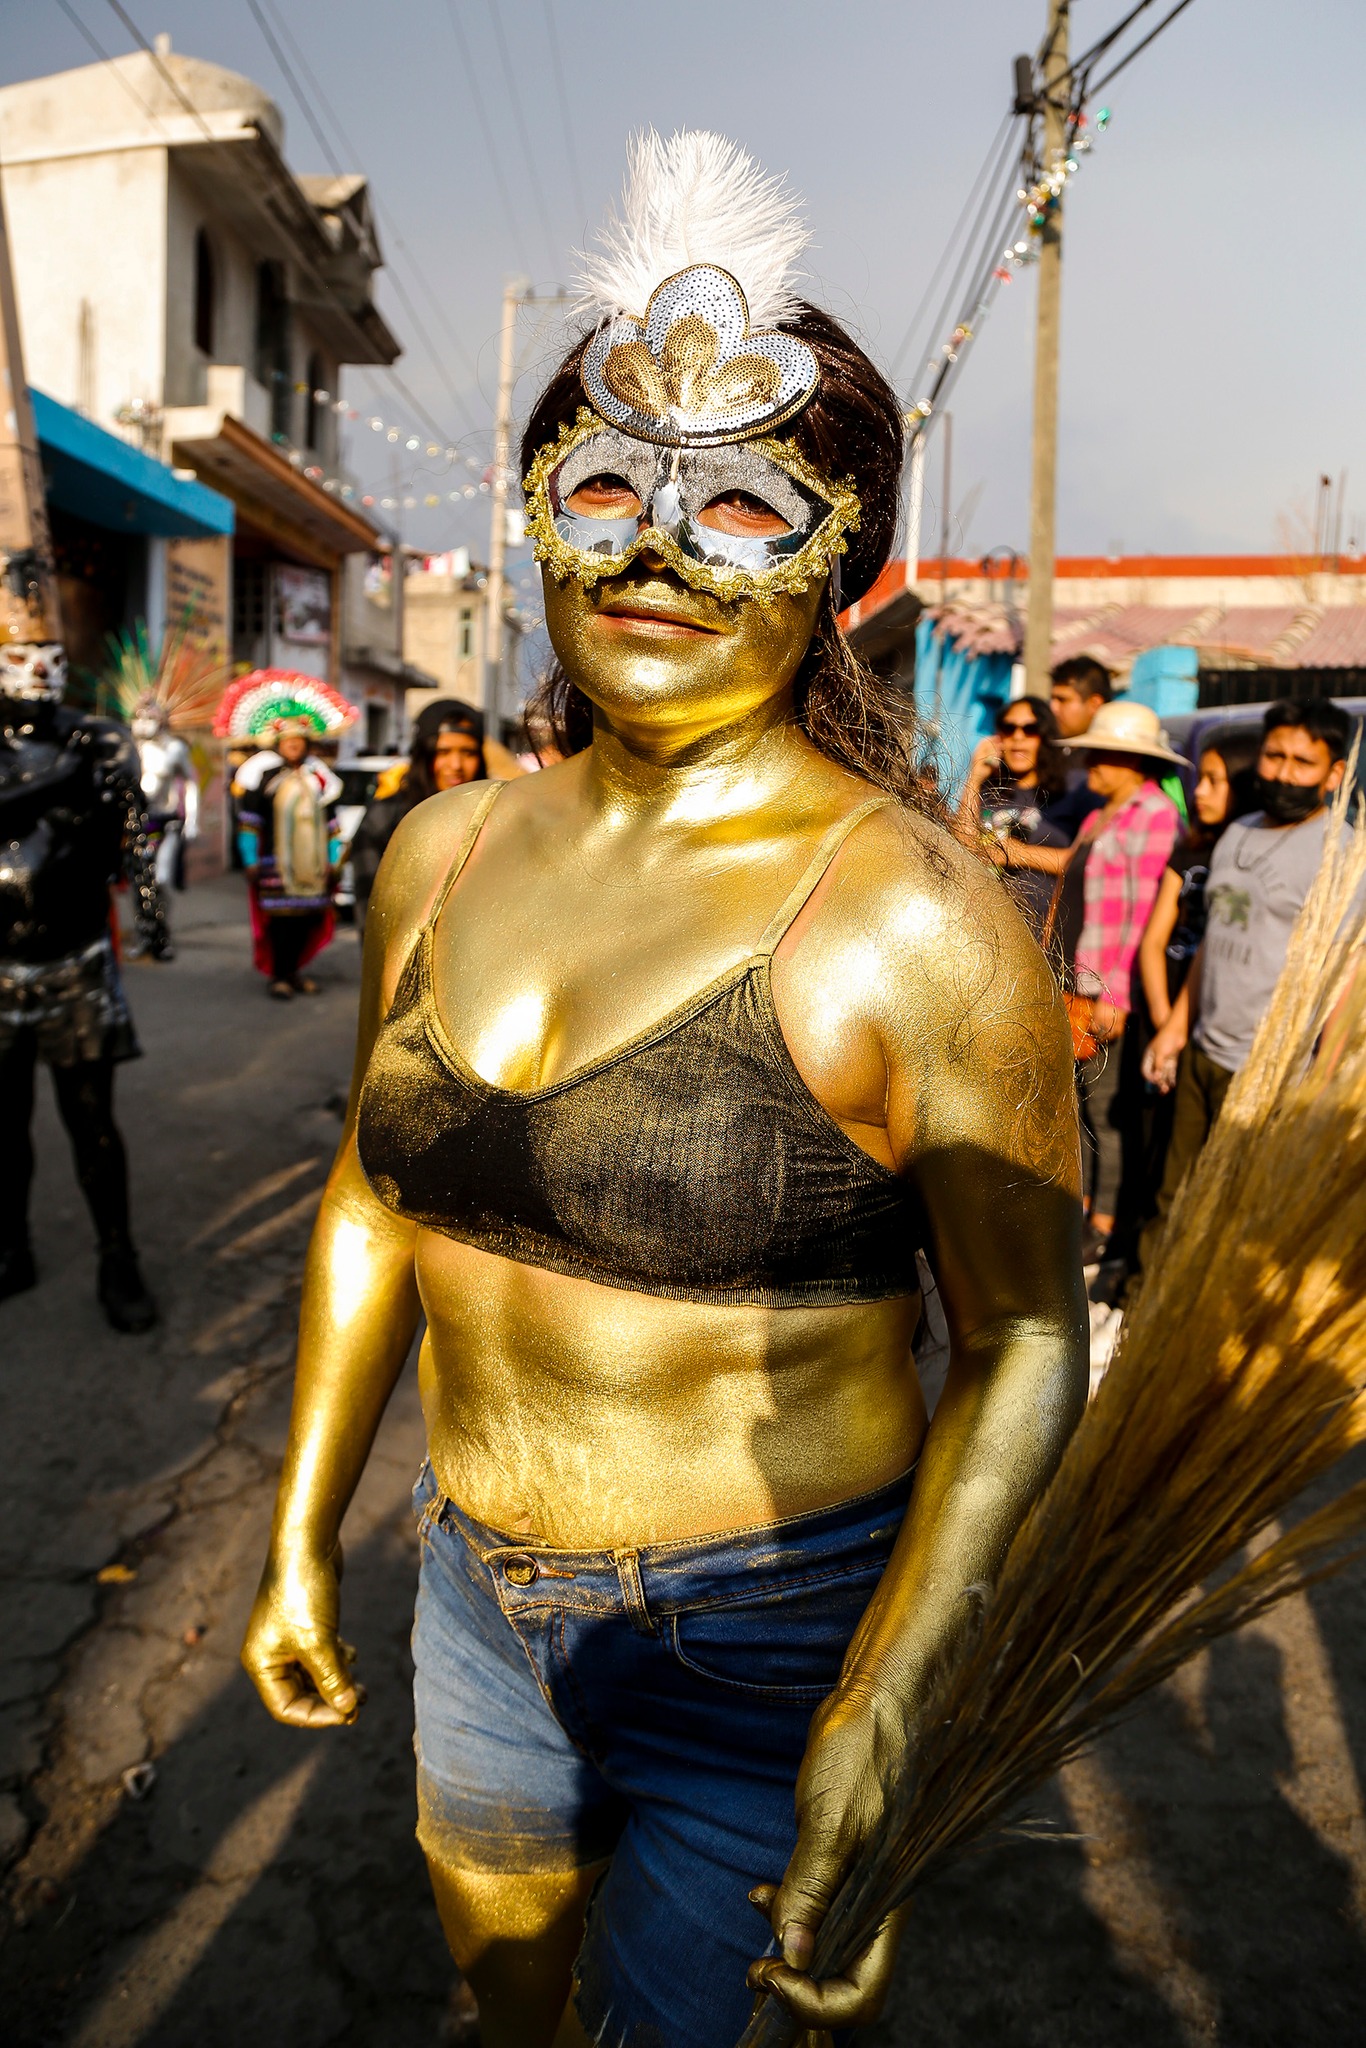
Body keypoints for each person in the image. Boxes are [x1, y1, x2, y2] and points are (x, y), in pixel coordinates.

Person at [240, 130, 1088, 2048]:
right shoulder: (437, 848)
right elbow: (376, 1198)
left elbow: (1030, 1330)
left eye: (734, 515)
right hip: (474, 1590)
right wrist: (300, 1522)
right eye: (610, 486)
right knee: (502, 1971)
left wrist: (890, 1688)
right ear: (538, 510)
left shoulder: (915, 927)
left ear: (837, 560)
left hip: (772, 1628)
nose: (649, 554)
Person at [1140, 697, 1352, 1261]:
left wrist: (1319, 1080)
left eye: (1301, 762)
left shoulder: (1343, 856)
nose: (1282, 773)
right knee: (1173, 1197)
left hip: (1268, 1067)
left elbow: (1346, 977)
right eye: (1273, 755)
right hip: (1204, 1053)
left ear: (1334, 773)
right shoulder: (1238, 832)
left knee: (1237, 1217)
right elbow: (1216, 936)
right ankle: (1143, 1311)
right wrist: (1177, 1029)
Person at [0, 639, 167, 1330]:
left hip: (78, 957)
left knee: (91, 1122)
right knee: (5, 1123)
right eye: (20, 655)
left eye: (50, 653)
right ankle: (11, 1246)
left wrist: (152, 910)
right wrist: (56, 785)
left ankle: (117, 1256)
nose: (40, 669)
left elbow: (133, 832)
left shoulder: (97, 739)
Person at [1107, 724, 1263, 1276]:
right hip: (1164, 1006)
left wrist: (1180, 1024)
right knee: (1145, 1138)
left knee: (1186, 1149)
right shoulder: (1190, 847)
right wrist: (1163, 1019)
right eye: (1202, 778)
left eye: (1216, 781)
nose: (1200, 791)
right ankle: (1128, 1262)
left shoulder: (1247, 857)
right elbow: (1154, 941)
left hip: (1212, 1016)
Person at [1055, 701, 1184, 1259]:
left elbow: (1141, 913)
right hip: (1077, 983)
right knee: (1077, 1105)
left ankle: (1105, 1225)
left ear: (1131, 761)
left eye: (1100, 754)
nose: (1089, 764)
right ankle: (1081, 1211)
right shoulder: (1099, 816)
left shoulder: (1153, 815)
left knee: (1104, 1110)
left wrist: (1115, 994)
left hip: (1105, 990)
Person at [215, 673, 357, 1000]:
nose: (293, 745)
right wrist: (250, 859)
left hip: (313, 863)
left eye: (299, 740)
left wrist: (334, 858)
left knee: (305, 921)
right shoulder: (263, 775)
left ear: (308, 744)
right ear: (278, 743)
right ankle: (278, 975)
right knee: (280, 923)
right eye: (288, 740)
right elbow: (250, 822)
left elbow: (332, 824)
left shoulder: (320, 777)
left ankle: (294, 972)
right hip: (275, 864)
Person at [350, 700, 487, 924]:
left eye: (468, 752)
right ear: (424, 755)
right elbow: (372, 912)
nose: (456, 765)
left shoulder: (493, 815)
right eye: (443, 752)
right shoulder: (386, 816)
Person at [958, 694, 1069, 934]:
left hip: (1040, 933)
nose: (1018, 737)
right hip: (981, 926)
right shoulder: (988, 791)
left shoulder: (1065, 793)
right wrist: (974, 778)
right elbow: (961, 848)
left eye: (1030, 729)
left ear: (1045, 737)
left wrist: (1017, 853)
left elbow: (1081, 862)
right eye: (1009, 728)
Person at [130, 689, 199, 898]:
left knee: (161, 875)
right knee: (139, 875)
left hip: (167, 819)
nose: (144, 722)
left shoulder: (175, 749)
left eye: (150, 717)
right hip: (138, 819)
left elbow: (191, 782)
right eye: (139, 716)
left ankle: (160, 916)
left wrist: (193, 820)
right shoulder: (130, 748)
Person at [1046, 654, 1114, 839]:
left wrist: (1014, 851)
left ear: (1094, 704)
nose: (1053, 707)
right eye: (1052, 699)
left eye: (1063, 699)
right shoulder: (1052, 751)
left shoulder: (1112, 761)